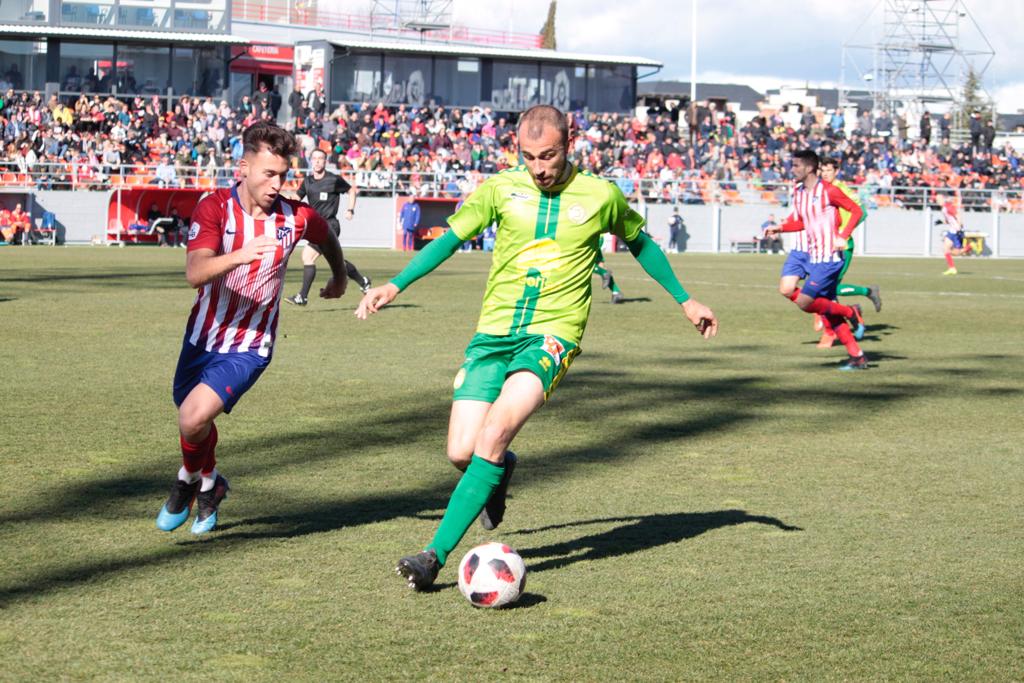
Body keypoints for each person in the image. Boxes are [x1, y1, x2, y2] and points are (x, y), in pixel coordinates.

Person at [355, 104, 718, 591]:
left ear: (570, 144)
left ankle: (431, 556)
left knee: (494, 433)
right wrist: (395, 285)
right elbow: (449, 240)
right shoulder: (500, 189)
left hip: (553, 334)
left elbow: (641, 243)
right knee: (463, 452)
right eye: (530, 157)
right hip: (493, 333)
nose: (540, 168)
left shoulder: (600, 195)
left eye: (548, 156)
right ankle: (499, 472)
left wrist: (685, 299)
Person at [155, 121, 349, 536]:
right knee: (193, 421)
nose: (278, 184)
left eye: (284, 175)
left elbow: (326, 235)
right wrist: (239, 255)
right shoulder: (213, 209)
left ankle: (186, 481)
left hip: (250, 345)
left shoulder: (295, 218)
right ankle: (211, 483)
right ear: (243, 167)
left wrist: (339, 277)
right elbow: (195, 273)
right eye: (269, 174)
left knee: (192, 419)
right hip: (202, 338)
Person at [764, 149, 868, 370]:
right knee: (824, 308)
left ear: (810, 168)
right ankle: (857, 356)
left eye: (796, 166)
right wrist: (780, 228)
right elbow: (803, 222)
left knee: (805, 301)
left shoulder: (829, 191)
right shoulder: (799, 192)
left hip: (829, 259)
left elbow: (857, 211)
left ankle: (851, 312)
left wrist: (844, 235)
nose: (792, 170)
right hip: (814, 257)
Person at [285, 148, 371, 305]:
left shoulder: (334, 180)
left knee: (307, 256)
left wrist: (350, 209)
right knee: (336, 260)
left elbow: (352, 190)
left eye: (320, 158)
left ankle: (302, 296)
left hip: (329, 225)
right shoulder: (308, 181)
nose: (317, 161)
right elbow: (297, 198)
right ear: (311, 161)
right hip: (315, 226)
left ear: (325, 161)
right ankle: (363, 281)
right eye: (315, 158)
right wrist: (283, 200)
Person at [817, 158, 882, 347]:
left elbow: (861, 212)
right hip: (824, 246)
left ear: (836, 171)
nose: (825, 174)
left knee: (825, 289)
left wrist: (843, 234)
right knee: (821, 289)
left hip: (842, 247)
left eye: (829, 170)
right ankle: (850, 312)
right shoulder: (821, 189)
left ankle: (835, 328)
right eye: (823, 170)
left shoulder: (842, 190)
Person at [939, 201, 967, 275]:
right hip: (952, 231)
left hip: (956, 231)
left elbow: (957, 214)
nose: (937, 200)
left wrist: (960, 227)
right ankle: (952, 268)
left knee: (957, 252)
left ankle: (970, 246)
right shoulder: (943, 209)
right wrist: (940, 222)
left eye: (939, 198)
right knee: (945, 249)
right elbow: (949, 220)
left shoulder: (947, 206)